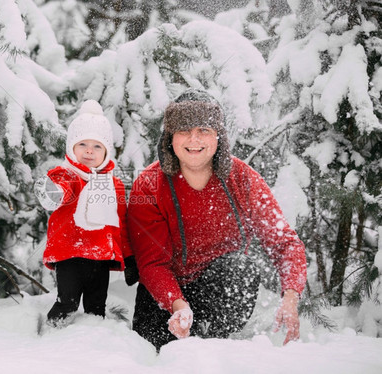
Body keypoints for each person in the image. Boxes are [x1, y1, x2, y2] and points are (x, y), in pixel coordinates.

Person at [125, 89, 307, 350]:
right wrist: (177, 304)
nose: (194, 139)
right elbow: (152, 263)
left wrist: (290, 295)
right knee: (158, 356)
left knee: (240, 269)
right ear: (170, 138)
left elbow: (285, 242)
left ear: (218, 137)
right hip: (163, 294)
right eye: (184, 130)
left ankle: (216, 344)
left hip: (218, 289)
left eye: (204, 130)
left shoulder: (243, 179)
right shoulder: (150, 184)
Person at [35, 99, 133, 327]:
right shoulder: (66, 175)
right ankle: (52, 332)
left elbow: (121, 223)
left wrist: (128, 256)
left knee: (96, 304)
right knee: (67, 301)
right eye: (83, 145)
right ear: (71, 148)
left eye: (97, 146)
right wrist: (52, 192)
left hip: (100, 255)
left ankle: (93, 342)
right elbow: (59, 190)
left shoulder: (113, 184)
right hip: (70, 252)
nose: (90, 150)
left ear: (107, 152)